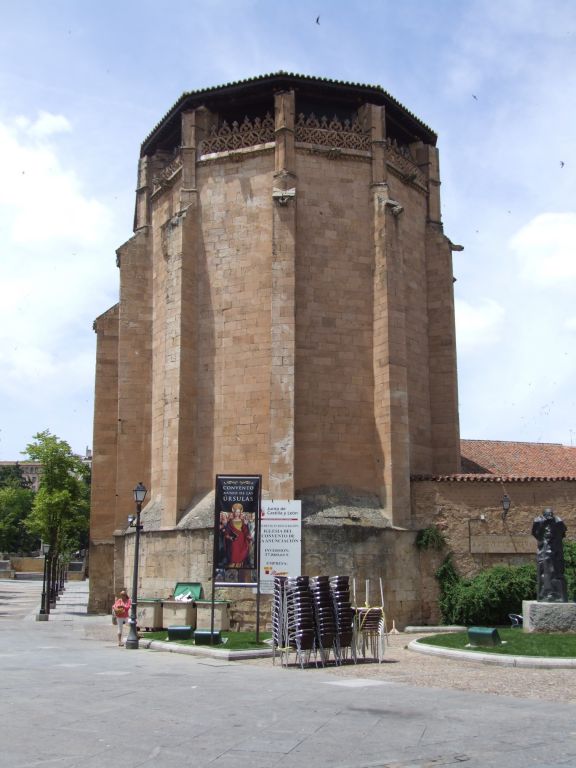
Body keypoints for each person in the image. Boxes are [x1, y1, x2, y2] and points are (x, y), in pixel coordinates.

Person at [531, 508, 567, 602]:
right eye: (548, 515)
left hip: (555, 551)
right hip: (545, 551)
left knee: (557, 571)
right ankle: (548, 593)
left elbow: (562, 533)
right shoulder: (539, 521)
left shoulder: (558, 521)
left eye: (551, 514)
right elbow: (535, 533)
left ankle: (557, 594)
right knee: (547, 571)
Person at [225, 503, 253, 567]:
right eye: (236, 512)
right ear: (234, 512)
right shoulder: (230, 522)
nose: (237, 513)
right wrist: (229, 537)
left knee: (242, 553)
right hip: (234, 541)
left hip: (242, 540)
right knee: (234, 553)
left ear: (240, 513)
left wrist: (248, 536)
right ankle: (232, 566)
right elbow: (227, 532)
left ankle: (240, 566)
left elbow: (245, 531)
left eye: (238, 512)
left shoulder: (242, 521)